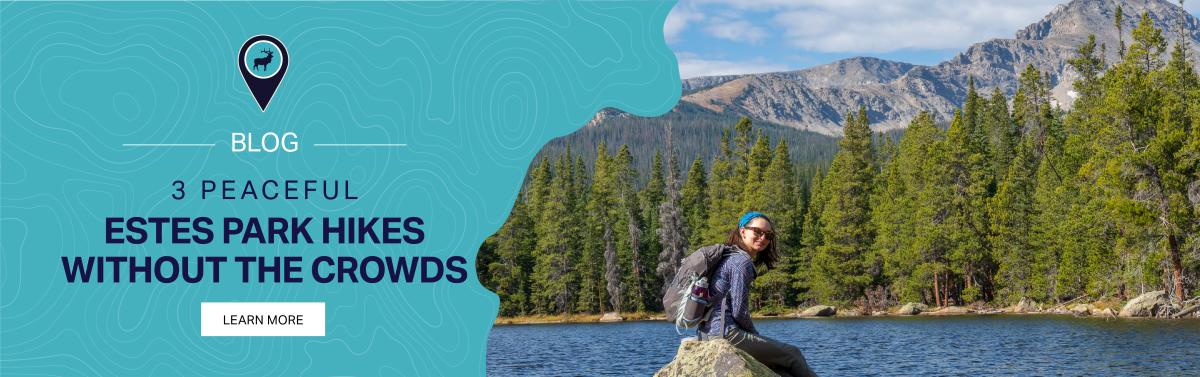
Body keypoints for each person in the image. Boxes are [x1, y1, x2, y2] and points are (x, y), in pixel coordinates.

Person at [698, 211, 817, 377]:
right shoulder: (741, 262)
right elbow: (739, 311)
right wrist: (754, 334)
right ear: (743, 231)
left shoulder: (729, 255)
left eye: (768, 235)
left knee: (782, 370)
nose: (763, 238)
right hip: (725, 333)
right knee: (793, 354)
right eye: (758, 232)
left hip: (708, 332)